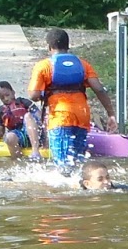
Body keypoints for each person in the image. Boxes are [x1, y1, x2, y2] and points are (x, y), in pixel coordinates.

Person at [27, 28, 118, 169]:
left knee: (63, 163)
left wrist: (45, 94)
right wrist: (111, 114)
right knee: (77, 160)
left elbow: (33, 95)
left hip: (60, 117)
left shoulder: (44, 66)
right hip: (82, 116)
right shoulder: (83, 64)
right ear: (68, 46)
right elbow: (99, 89)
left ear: (49, 47)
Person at [0, 81, 42, 158]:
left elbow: (40, 116)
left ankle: (35, 151)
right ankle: (19, 163)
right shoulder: (1, 111)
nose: (6, 99)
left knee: (28, 116)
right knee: (9, 137)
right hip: (20, 137)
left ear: (13, 92)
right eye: (2, 98)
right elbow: (0, 131)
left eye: (7, 95)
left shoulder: (23, 102)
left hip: (35, 134)